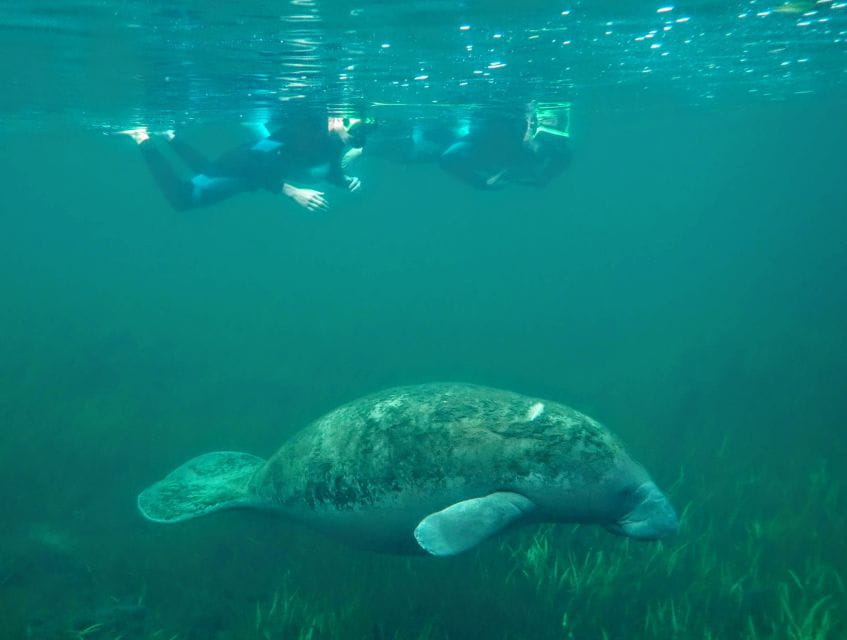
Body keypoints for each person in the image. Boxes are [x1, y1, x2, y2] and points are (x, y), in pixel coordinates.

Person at [120, 110, 373, 213]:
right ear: (338, 120)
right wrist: (293, 192)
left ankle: (168, 136)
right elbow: (255, 159)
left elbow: (330, 168)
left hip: (250, 176)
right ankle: (141, 137)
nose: (358, 140)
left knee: (205, 172)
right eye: (356, 131)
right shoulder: (301, 131)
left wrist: (343, 181)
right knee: (182, 199)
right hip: (243, 166)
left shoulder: (334, 142)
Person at [439, 103, 572, 190]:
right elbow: (447, 160)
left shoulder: (528, 147)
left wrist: (545, 178)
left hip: (501, 152)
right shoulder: (475, 144)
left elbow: (562, 156)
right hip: (494, 150)